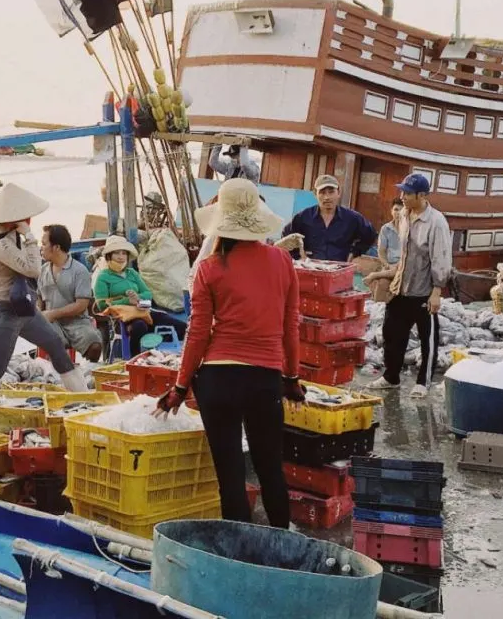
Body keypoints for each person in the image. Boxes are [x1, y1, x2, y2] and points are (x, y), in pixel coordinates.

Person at [157, 178, 301, 529]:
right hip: (265, 380)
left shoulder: (209, 268)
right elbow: (289, 327)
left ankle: (239, 552)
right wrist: (292, 379)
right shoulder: (282, 261)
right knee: (270, 469)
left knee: (230, 475)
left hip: (217, 381)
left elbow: (197, 334)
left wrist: (179, 387)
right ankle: (282, 545)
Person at [0, 183, 88, 391]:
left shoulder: (11, 236)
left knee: (55, 344)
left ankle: (82, 395)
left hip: (24, 309)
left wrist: (26, 237)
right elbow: (33, 269)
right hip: (4, 312)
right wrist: (29, 235)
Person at [369, 173, 451, 399]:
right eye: (401, 191)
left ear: (422, 195)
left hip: (424, 292)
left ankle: (422, 382)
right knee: (392, 333)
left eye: (407, 193)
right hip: (401, 288)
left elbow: (441, 258)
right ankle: (391, 377)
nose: (402, 196)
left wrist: (436, 292)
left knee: (428, 339)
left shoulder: (436, 222)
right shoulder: (404, 215)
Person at [38, 223, 102, 362]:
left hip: (77, 322)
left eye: (44, 244)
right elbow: (39, 301)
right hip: (51, 323)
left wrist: (53, 313)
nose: (41, 248)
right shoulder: (42, 271)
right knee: (53, 343)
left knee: (95, 345)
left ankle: (90, 374)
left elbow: (81, 305)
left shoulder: (80, 271)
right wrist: (40, 316)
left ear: (56, 247)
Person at [281, 175, 377, 262]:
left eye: (331, 192)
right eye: (322, 192)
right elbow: (286, 236)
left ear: (338, 193)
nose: (327, 197)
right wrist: (298, 256)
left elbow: (371, 234)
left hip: (339, 270)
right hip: (310, 268)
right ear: (315, 194)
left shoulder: (352, 218)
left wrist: (354, 252)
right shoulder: (303, 217)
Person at [93, 235, 155, 358]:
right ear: (108, 256)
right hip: (120, 318)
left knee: (179, 326)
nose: (121, 257)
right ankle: (135, 360)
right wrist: (127, 301)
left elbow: (148, 294)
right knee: (140, 326)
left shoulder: (132, 273)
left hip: (142, 310)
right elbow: (102, 305)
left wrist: (137, 298)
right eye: (116, 253)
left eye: (124, 253)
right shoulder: (103, 277)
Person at [377, 198, 404, 269]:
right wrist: (387, 265)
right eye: (396, 209)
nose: (398, 213)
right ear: (391, 211)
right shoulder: (385, 229)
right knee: (382, 280)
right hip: (389, 265)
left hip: (404, 266)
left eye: (402, 210)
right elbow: (381, 252)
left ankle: (373, 275)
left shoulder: (411, 229)